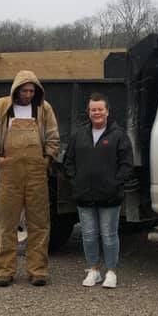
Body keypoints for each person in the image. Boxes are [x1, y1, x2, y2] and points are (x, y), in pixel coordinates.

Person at [0, 71, 60, 287]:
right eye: (24, 90)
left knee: (40, 223)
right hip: (9, 174)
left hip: (36, 174)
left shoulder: (44, 109)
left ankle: (38, 270)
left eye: (32, 91)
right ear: (16, 89)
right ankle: (4, 271)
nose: (28, 95)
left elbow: (53, 138)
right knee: (6, 223)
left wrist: (47, 160)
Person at [63, 93, 134, 289]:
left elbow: (127, 165)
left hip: (109, 197)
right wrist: (76, 181)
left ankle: (111, 271)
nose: (97, 113)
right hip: (84, 195)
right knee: (88, 234)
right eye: (93, 109)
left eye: (100, 109)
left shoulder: (119, 136)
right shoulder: (79, 135)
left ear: (107, 111)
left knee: (109, 234)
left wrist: (114, 184)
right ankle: (93, 270)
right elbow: (68, 161)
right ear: (88, 112)